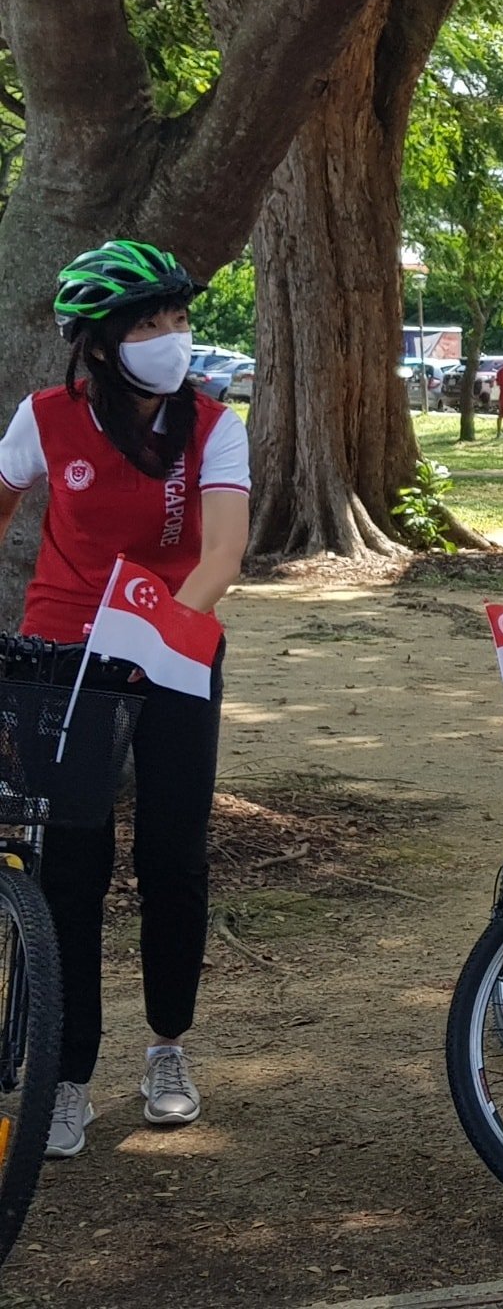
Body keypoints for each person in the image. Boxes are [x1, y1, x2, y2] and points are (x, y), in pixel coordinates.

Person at [0, 241, 250, 1157]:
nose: (170, 337)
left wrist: (153, 640)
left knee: (174, 858)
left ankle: (168, 1050)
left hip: (177, 650)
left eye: (177, 319)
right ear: (99, 344)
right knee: (70, 866)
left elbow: (221, 554)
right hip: (64, 654)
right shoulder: (44, 419)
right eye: (147, 324)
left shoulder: (214, 425)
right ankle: (66, 1078)